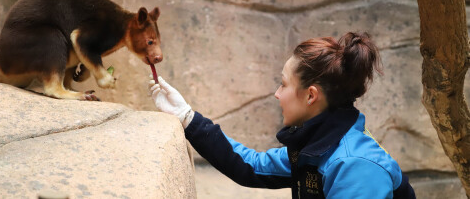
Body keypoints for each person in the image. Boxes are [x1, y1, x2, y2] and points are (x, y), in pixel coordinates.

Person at [148, 32, 416, 199]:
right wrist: (187, 117)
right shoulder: (318, 144)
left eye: (284, 84)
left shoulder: (355, 166)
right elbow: (249, 166)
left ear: (311, 96)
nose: (277, 94)